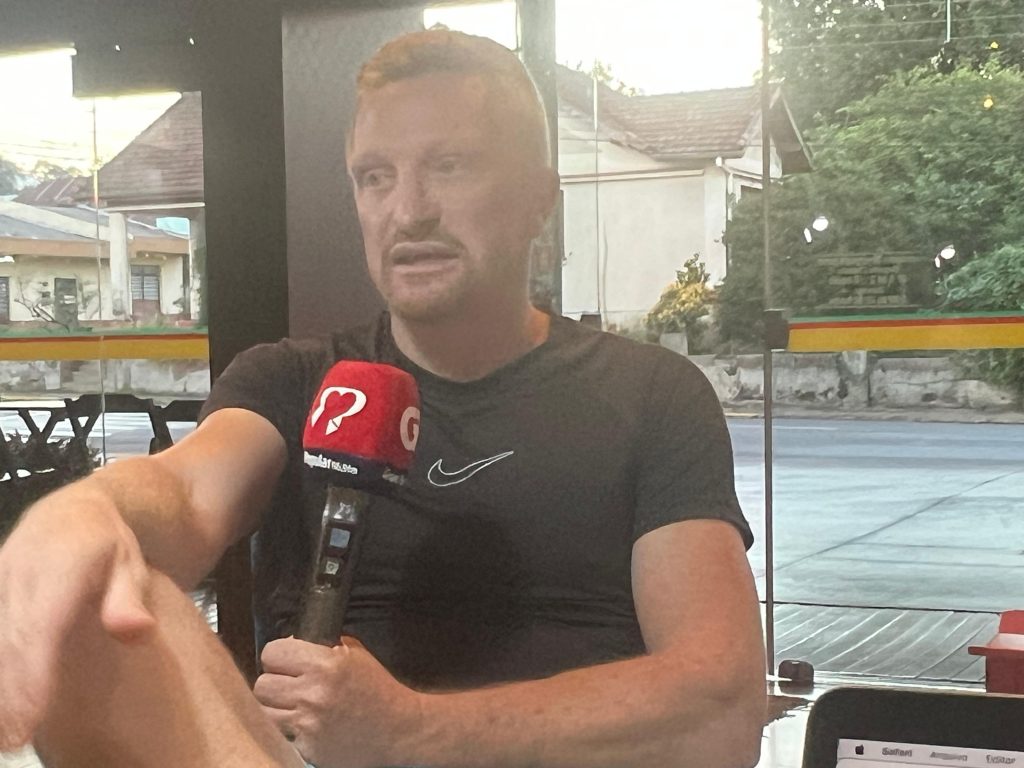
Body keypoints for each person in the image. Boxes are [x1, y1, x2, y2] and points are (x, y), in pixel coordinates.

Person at [0, 29, 765, 768]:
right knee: (95, 600)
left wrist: (413, 730)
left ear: (539, 200)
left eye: (450, 165)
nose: (409, 210)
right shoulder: (290, 381)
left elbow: (721, 712)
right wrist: (93, 511)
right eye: (376, 176)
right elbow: (185, 493)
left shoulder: (651, 396)